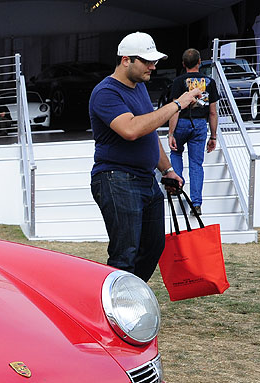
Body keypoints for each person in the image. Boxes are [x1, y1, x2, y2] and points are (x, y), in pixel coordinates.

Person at [89, 32, 203, 282]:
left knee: (153, 247)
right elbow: (131, 129)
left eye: (155, 61)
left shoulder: (139, 87)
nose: (153, 66)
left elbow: (148, 132)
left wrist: (167, 170)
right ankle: (113, 311)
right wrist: (177, 104)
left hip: (146, 181)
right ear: (126, 60)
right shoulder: (105, 93)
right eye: (147, 61)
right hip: (116, 179)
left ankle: (128, 300)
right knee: (124, 256)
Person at [167, 49, 219, 214]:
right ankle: (196, 204)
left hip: (181, 122)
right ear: (199, 62)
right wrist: (213, 136)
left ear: (183, 64)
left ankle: (176, 190)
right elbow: (212, 112)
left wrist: (171, 133)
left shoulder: (178, 81)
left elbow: (175, 109)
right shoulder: (209, 82)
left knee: (176, 153)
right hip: (199, 125)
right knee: (196, 164)